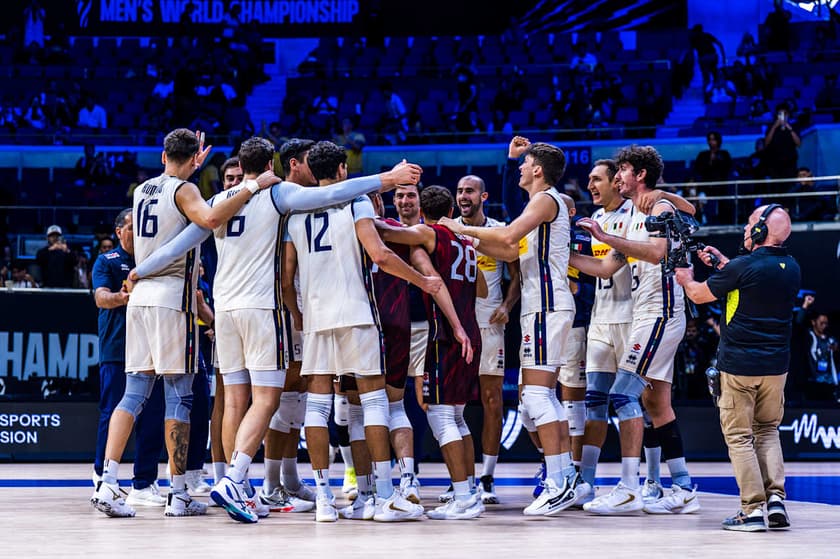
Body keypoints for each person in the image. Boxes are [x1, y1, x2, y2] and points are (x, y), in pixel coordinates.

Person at [129, 137, 425, 521]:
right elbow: (332, 193)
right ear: (271, 163)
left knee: (233, 400)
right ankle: (235, 479)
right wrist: (387, 178)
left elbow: (181, 242)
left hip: (225, 308)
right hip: (261, 307)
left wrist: (142, 269)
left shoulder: (219, 200)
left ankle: (238, 484)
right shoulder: (278, 191)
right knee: (267, 399)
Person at [90, 128, 273, 519]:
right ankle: (178, 493)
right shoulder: (184, 190)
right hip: (171, 298)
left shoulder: (142, 191)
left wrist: (191, 169)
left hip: (139, 300)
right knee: (180, 396)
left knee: (134, 393)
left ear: (162, 156)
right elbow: (208, 217)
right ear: (194, 160)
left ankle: (107, 482)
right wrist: (252, 186)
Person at [283, 140, 432, 522]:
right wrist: (422, 281)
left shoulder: (296, 211)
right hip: (356, 314)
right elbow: (380, 255)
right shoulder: (358, 202)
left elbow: (286, 278)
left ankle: (323, 500)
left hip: (316, 319)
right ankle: (381, 498)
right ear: (344, 169)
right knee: (373, 404)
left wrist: (300, 318)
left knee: (317, 409)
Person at [439, 136, 580, 516]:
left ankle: (559, 480)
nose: (519, 168)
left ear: (537, 169)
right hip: (540, 308)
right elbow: (505, 250)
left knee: (537, 398)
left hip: (547, 306)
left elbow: (505, 235)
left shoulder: (545, 200)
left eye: (524, 163)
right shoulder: (540, 204)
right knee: (538, 399)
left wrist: (460, 228)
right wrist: (465, 237)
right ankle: (566, 476)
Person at [569, 145, 699, 515]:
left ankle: (630, 488)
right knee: (656, 403)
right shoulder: (638, 213)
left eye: (622, 170)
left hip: (659, 311)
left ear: (638, 174)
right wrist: (559, 256)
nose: (618, 176)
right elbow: (608, 268)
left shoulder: (659, 208)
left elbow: (658, 253)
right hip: (647, 311)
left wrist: (606, 235)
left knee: (623, 395)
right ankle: (684, 487)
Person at [676, 203, 800, 531]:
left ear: (760, 232)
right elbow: (750, 279)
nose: (746, 229)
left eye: (749, 225)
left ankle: (752, 510)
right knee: (768, 430)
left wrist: (686, 276)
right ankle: (775, 501)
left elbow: (700, 295)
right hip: (776, 367)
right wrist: (723, 264)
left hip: (739, 366)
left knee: (740, 437)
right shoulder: (791, 266)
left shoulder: (742, 267)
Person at [378, 184, 483, 520]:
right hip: (471, 330)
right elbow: (479, 287)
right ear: (453, 210)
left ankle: (463, 496)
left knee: (439, 416)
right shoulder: (464, 242)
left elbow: (433, 282)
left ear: (423, 210)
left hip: (447, 334)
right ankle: (469, 490)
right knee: (456, 417)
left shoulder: (427, 237)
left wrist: (361, 214)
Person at [91, 209, 166, 509]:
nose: (138, 233)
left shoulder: (155, 260)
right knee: (112, 411)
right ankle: (101, 475)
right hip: (117, 348)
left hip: (151, 349)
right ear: (119, 231)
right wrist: (123, 297)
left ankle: (144, 482)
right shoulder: (107, 261)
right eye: (132, 227)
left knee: (151, 414)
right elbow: (100, 298)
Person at [454, 174, 521, 505]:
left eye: (470, 191)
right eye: (460, 191)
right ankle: (461, 478)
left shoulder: (500, 230)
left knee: (493, 401)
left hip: (490, 325)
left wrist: (507, 305)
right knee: (452, 404)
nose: (464, 196)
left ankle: (487, 475)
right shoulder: (448, 228)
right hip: (457, 327)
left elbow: (517, 273)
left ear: (484, 196)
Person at [804, 313, 839, 402]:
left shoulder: (830, 340)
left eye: (826, 323)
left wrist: (836, 348)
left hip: (828, 382)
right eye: (821, 323)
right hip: (811, 382)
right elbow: (798, 322)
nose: (824, 326)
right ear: (813, 322)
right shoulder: (809, 336)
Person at [764, 104, 801, 180]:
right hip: (775, 163)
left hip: (790, 163)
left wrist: (789, 127)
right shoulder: (771, 127)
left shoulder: (793, 127)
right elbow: (766, 143)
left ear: (788, 115)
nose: (782, 116)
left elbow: (798, 143)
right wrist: (774, 127)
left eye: (785, 114)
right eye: (780, 114)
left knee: (790, 186)